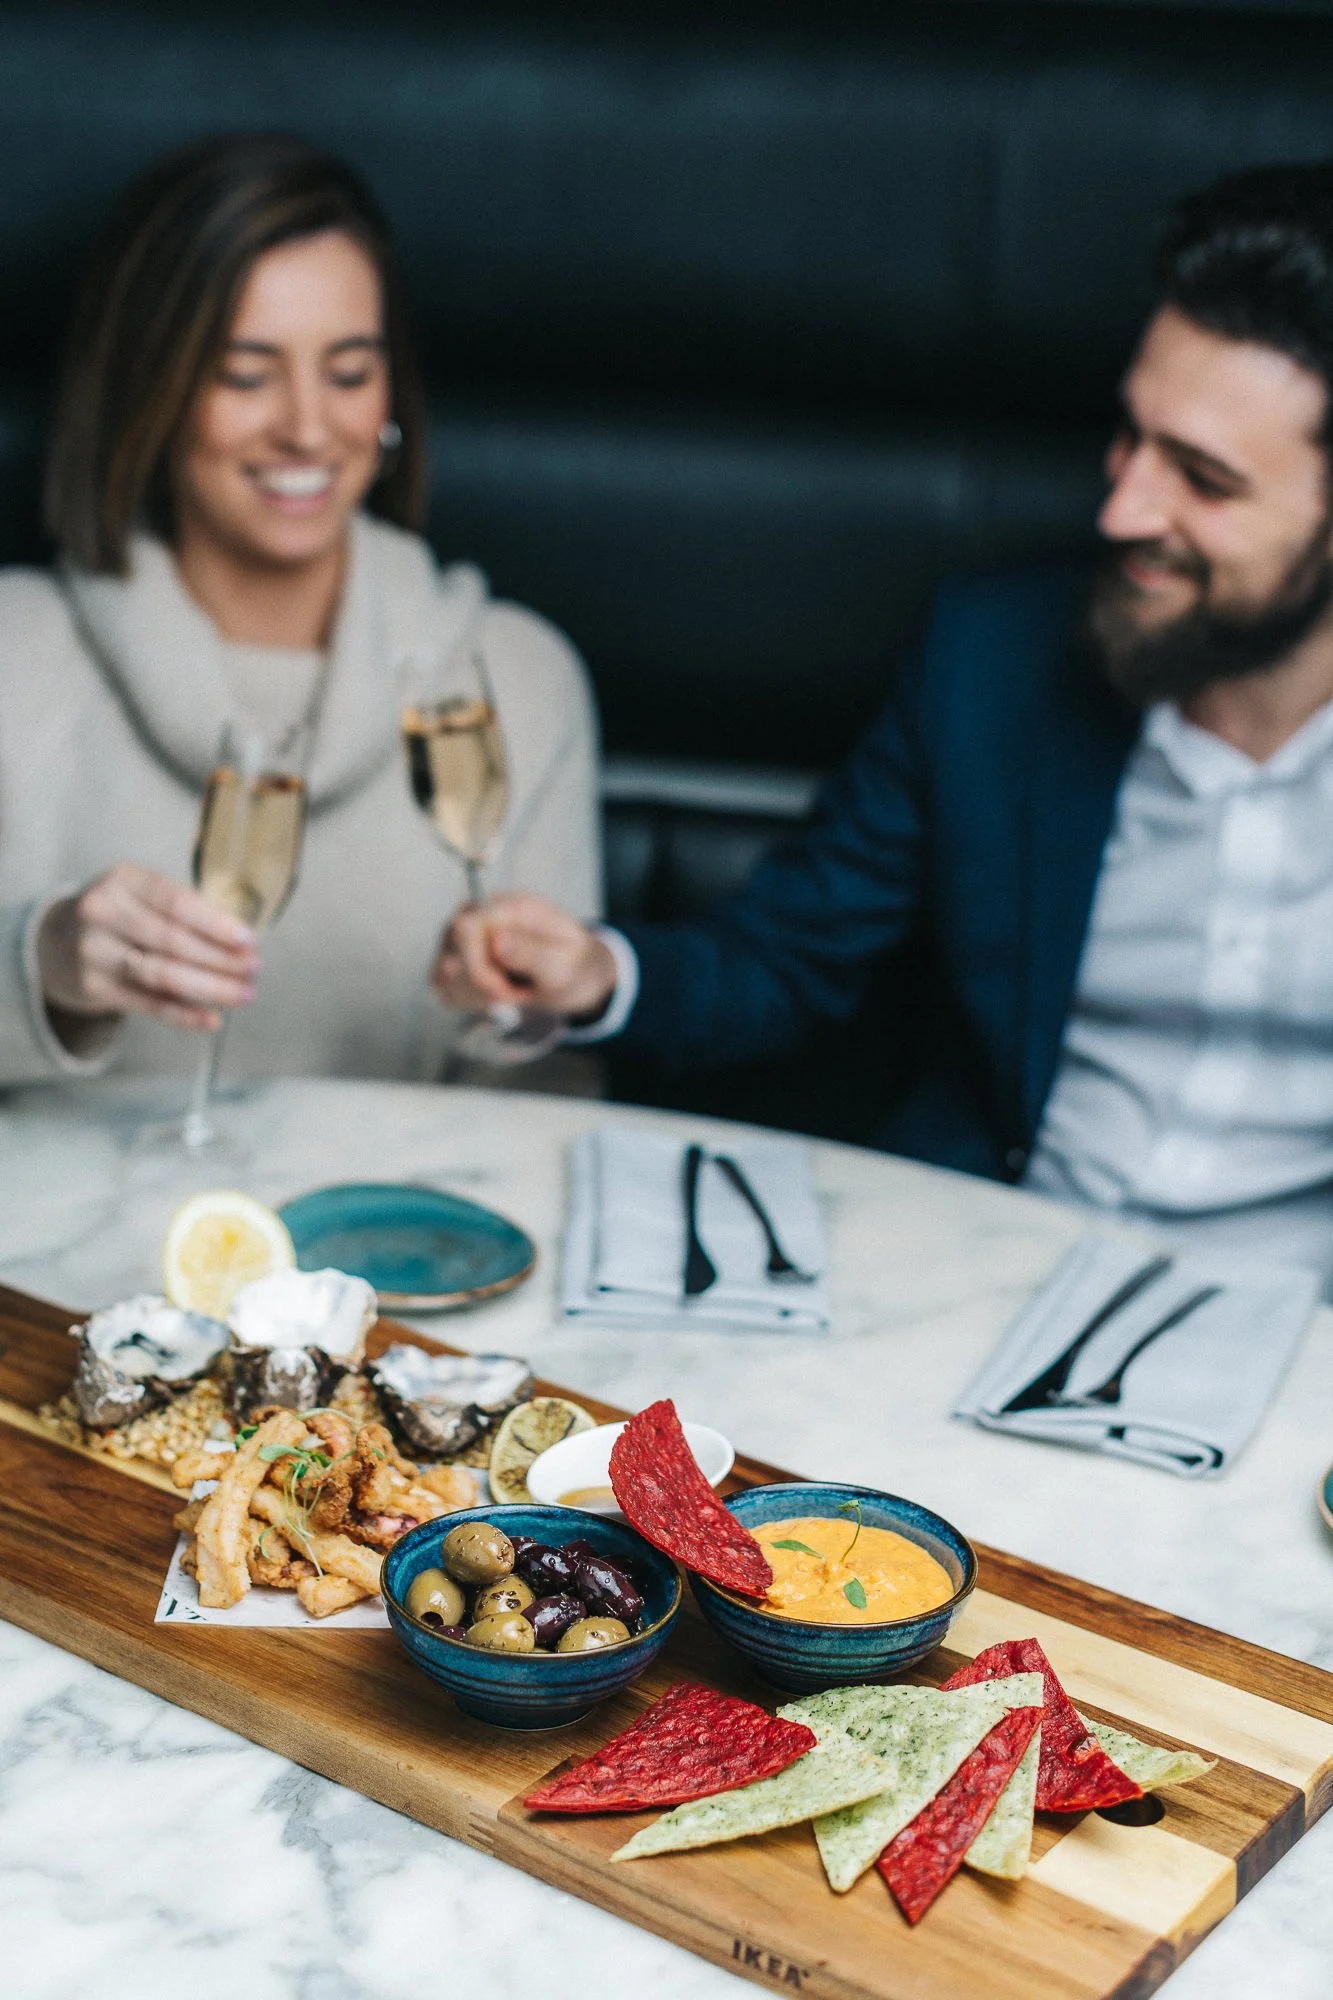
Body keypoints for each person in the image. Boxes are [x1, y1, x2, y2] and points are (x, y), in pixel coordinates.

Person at [438, 160, 1333, 1282]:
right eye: (1128, 436)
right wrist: (592, 975)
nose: (1122, 505)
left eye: (1201, 477)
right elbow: (787, 958)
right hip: (990, 1284)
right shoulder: (992, 663)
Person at [0, 133, 599, 1087]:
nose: (309, 428)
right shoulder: (14, 655)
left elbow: (543, 1102)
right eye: (245, 374)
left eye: (351, 372)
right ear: (149, 392)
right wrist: (41, 970)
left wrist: (522, 1014)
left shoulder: (516, 681)